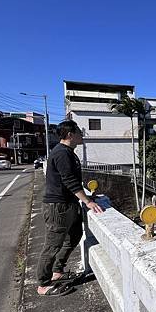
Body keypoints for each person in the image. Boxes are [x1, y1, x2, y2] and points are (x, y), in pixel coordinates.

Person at [36, 120, 104, 296]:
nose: (82, 135)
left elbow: (72, 181)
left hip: (68, 204)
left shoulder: (68, 152)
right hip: (57, 206)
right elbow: (69, 181)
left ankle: (57, 271)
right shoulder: (61, 154)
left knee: (75, 235)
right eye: (79, 132)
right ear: (70, 135)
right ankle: (43, 284)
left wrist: (86, 197)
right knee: (52, 245)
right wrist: (88, 202)